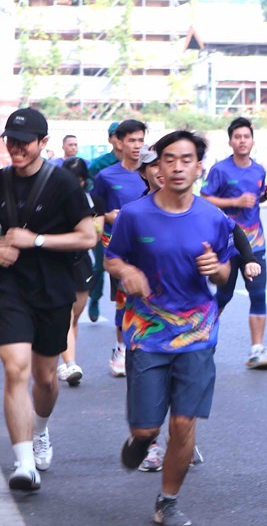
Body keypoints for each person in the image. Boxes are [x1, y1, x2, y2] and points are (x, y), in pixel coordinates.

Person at [105, 130, 235, 526]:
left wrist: (219, 269)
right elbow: (112, 258)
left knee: (183, 422)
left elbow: (226, 271)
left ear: (198, 167)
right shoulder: (134, 215)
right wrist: (127, 271)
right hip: (147, 334)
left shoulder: (213, 218)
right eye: (169, 159)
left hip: (197, 334)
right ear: (157, 167)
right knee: (147, 428)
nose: (177, 167)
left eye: (186, 159)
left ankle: (168, 501)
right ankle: (141, 440)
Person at [0, 108, 97, 491]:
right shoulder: (0, 181)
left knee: (44, 378)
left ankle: (40, 429)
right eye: (11, 140)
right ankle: (24, 463)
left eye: (25, 142)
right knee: (15, 369)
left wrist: (36, 241)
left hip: (54, 289)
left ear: (43, 143)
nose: (16, 148)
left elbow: (88, 237)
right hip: (9, 289)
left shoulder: (63, 184)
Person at [201, 117, 267, 370]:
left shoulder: (259, 170)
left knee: (259, 294)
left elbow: (253, 201)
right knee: (224, 294)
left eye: (246, 136)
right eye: (237, 137)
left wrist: (263, 197)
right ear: (231, 141)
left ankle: (257, 349)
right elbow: (205, 199)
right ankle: (203, 340)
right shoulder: (220, 170)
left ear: (252, 140)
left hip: (255, 242)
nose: (242, 141)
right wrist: (235, 202)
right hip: (227, 242)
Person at [92, 119, 148, 377]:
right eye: (132, 140)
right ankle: (121, 348)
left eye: (140, 140)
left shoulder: (151, 172)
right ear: (119, 142)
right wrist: (107, 216)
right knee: (124, 299)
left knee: (149, 297)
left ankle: (148, 346)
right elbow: (95, 210)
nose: (137, 146)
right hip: (118, 248)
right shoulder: (106, 176)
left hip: (150, 247)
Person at [56, 157, 105, 387]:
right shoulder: (52, 199)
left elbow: (94, 237)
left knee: (74, 317)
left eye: (78, 180)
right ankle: (70, 363)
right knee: (65, 316)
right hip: (57, 263)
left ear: (84, 181)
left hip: (83, 264)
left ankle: (66, 362)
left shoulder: (94, 202)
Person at [86, 121, 123, 323]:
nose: (120, 140)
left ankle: (123, 313)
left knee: (123, 272)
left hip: (128, 228)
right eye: (116, 136)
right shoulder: (100, 165)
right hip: (104, 223)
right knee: (100, 266)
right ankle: (94, 299)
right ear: (110, 139)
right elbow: (88, 194)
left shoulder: (137, 165)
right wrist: (104, 214)